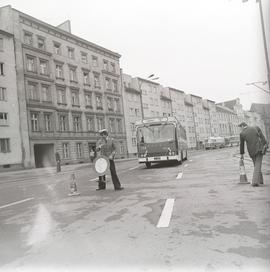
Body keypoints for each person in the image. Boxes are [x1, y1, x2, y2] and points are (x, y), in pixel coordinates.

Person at [239, 122, 268, 187]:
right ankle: (256, 181)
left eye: (240, 127)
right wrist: (265, 144)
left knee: (256, 165)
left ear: (243, 126)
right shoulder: (255, 127)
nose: (240, 129)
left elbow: (242, 145)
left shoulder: (242, 133)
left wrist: (242, 154)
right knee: (257, 165)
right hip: (259, 149)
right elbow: (262, 137)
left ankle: (259, 181)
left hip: (251, 152)